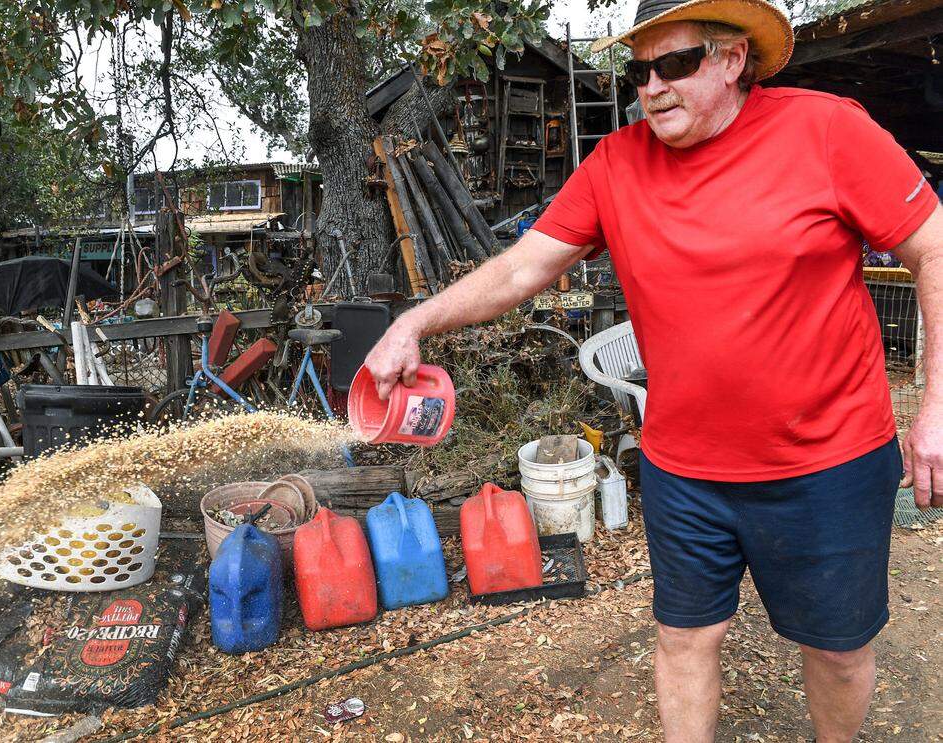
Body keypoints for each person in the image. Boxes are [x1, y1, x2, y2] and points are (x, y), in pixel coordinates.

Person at [362, 0, 943, 740]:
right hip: (686, 469)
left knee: (836, 650)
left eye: (675, 64)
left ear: (734, 60)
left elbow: (934, 246)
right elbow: (519, 270)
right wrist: (414, 320)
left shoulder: (827, 130)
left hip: (826, 462)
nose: (653, 87)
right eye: (640, 71)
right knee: (684, 639)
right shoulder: (616, 164)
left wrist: (936, 404)